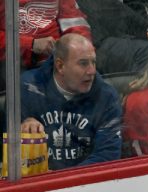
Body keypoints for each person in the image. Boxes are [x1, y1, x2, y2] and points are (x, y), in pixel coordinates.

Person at [20, 33, 122, 171]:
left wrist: (62, 180)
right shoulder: (28, 87)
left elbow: (107, 156)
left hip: (86, 186)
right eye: (83, 63)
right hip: (38, 188)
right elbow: (10, 155)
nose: (92, 71)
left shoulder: (106, 96)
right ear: (60, 66)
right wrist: (22, 128)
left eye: (93, 62)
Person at [76, 0, 148, 75]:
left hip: (104, 36)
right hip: (95, 43)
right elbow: (115, 11)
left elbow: (133, 9)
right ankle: (137, 96)